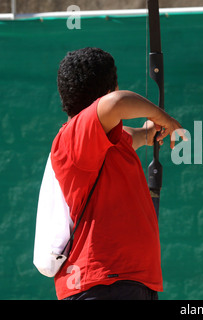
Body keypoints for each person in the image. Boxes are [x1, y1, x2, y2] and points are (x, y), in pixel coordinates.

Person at [50, 47, 185, 300]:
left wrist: (149, 132)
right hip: (102, 282)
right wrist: (163, 117)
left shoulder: (102, 140)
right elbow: (118, 103)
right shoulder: (73, 136)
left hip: (126, 279)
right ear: (110, 88)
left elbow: (131, 136)